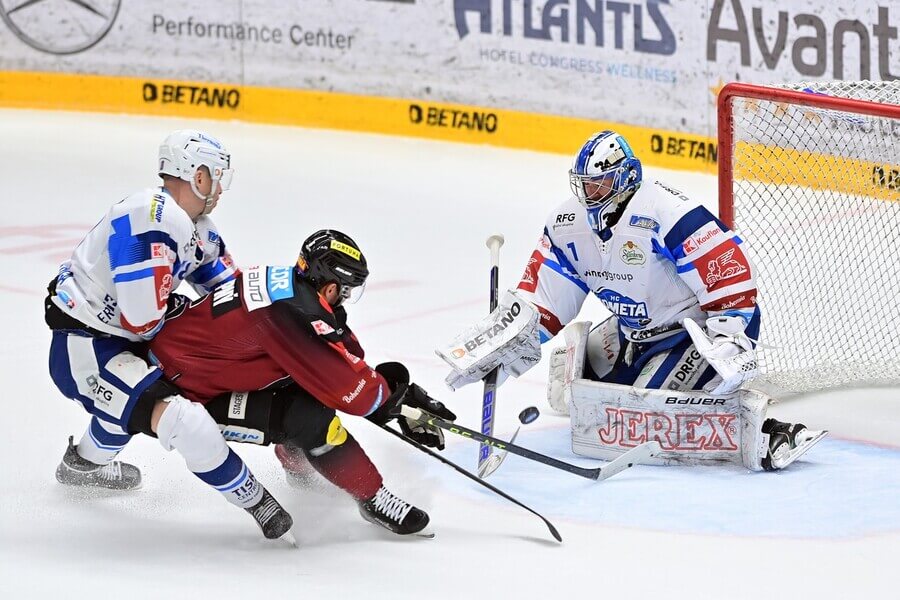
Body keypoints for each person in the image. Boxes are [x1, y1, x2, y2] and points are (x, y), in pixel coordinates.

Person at [438, 130, 825, 472]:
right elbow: (547, 299)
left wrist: (728, 335)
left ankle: (766, 434)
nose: (591, 194)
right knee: (576, 394)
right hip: (633, 332)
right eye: (585, 185)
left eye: (600, 184)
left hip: (695, 333)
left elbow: (728, 267)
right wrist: (509, 340)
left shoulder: (667, 212)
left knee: (646, 420)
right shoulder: (565, 224)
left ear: (624, 177)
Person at [44, 130, 293, 540]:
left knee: (126, 408)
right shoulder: (153, 218)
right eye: (215, 177)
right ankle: (257, 501)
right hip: (84, 348)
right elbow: (144, 319)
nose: (219, 190)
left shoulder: (194, 228)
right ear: (197, 176)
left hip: (122, 342)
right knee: (183, 420)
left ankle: (81, 466)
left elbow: (231, 296)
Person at [145, 229, 457, 536]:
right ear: (331, 286)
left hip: (195, 363)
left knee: (307, 389)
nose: (346, 298)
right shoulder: (291, 317)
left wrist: (395, 393)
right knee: (309, 418)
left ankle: (300, 467)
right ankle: (372, 497)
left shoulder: (290, 286)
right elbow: (350, 392)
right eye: (346, 290)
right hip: (186, 393)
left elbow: (344, 356)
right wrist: (394, 402)